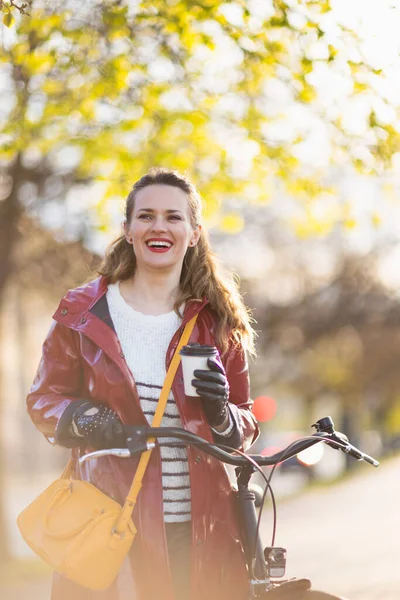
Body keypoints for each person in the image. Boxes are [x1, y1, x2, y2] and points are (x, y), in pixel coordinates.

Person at [27, 167, 259, 600]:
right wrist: (85, 416)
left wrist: (221, 412)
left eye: (174, 217)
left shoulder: (217, 321)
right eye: (146, 216)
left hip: (202, 527)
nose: (159, 226)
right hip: (112, 522)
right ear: (129, 230)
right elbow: (44, 399)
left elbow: (244, 423)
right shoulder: (84, 312)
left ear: (193, 234)